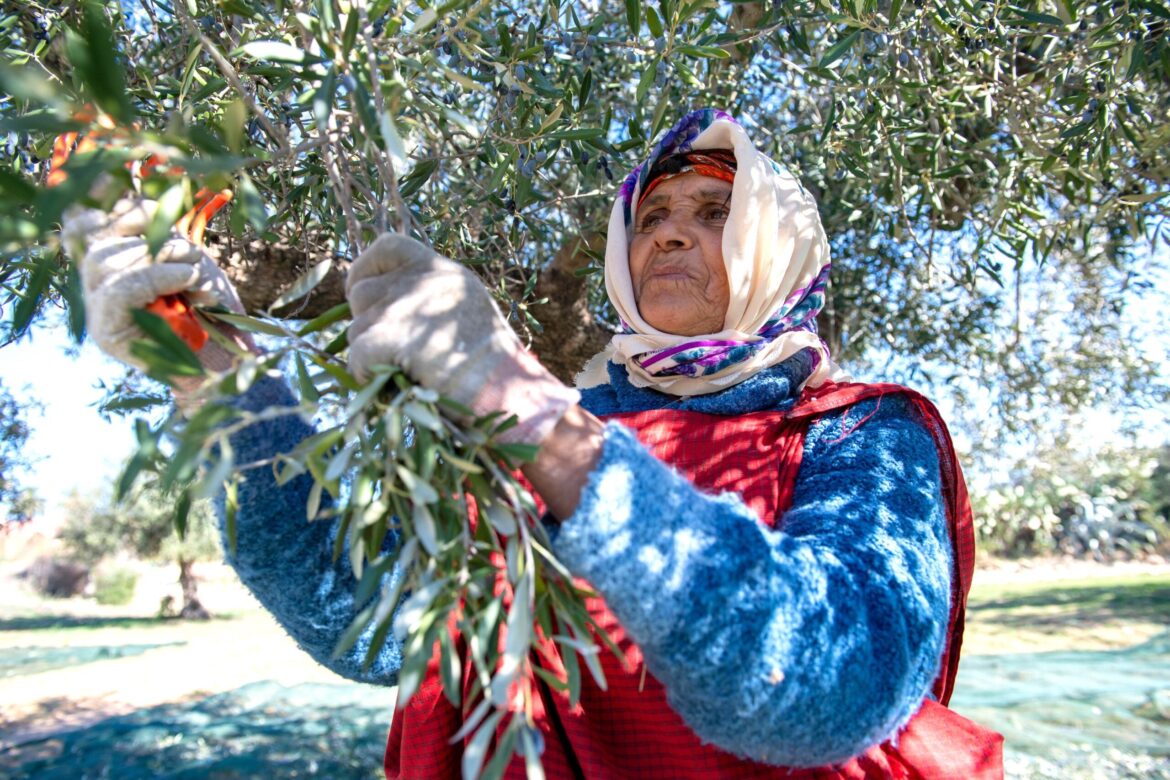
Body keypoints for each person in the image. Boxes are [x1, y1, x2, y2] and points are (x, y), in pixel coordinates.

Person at [68, 108, 1004, 778]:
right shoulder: (549, 430)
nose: (670, 238)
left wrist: (522, 403)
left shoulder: (866, 430)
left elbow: (834, 686)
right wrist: (213, 366)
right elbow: (368, 620)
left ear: (781, 247)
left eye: (714, 214)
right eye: (651, 218)